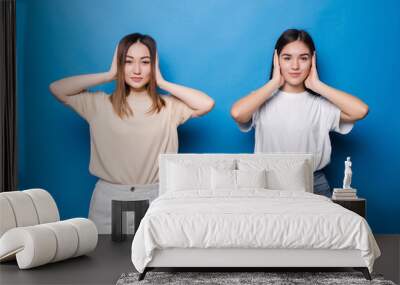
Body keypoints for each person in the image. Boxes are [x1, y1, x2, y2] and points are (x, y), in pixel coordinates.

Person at [49, 33, 214, 233]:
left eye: (145, 62)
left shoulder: (169, 106)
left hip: (155, 198)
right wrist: (109, 74)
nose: (136, 70)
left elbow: (207, 103)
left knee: (154, 262)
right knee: (104, 262)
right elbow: (57, 88)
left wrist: (161, 81)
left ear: (153, 66)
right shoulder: (99, 104)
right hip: (108, 200)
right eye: (128, 62)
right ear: (120, 65)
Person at [230, 29, 368, 197]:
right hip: (268, 182)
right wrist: (274, 83)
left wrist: (317, 85)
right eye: (287, 58)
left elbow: (361, 110)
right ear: (277, 60)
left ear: (312, 61)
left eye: (303, 58)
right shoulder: (261, 100)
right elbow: (237, 113)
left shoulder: (321, 106)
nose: (295, 66)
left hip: (312, 183)